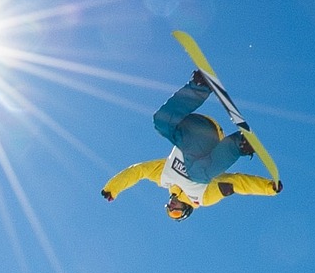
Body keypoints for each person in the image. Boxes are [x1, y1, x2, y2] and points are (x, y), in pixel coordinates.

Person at [101, 72, 280, 221]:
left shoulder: (163, 177)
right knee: (197, 174)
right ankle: (240, 144)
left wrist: (112, 188)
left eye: (168, 209)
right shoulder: (203, 198)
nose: (171, 207)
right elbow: (236, 182)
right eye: (175, 211)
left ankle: (199, 86)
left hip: (190, 128)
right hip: (210, 140)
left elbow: (137, 171)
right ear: (186, 210)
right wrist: (268, 188)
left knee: (160, 123)